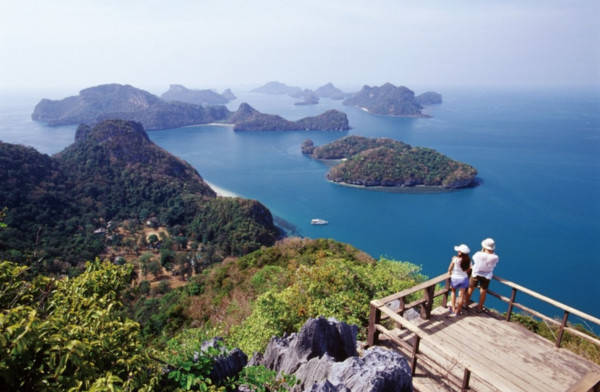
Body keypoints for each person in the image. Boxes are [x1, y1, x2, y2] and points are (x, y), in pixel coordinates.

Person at [466, 238, 499, 312]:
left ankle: (466, 303)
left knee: (471, 288)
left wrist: (482, 251)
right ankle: (479, 307)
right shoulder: (495, 257)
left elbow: (474, 259)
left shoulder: (478, 254)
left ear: (484, 247)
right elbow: (494, 264)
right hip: (487, 275)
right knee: (483, 291)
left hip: (476, 273)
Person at [447, 244, 471, 316]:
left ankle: (453, 308)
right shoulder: (468, 261)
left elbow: (449, 268)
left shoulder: (455, 259)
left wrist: (450, 272)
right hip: (464, 278)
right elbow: (468, 270)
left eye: (459, 251)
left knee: (453, 292)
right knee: (461, 295)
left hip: (455, 278)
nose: (458, 252)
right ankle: (458, 311)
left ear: (461, 253)